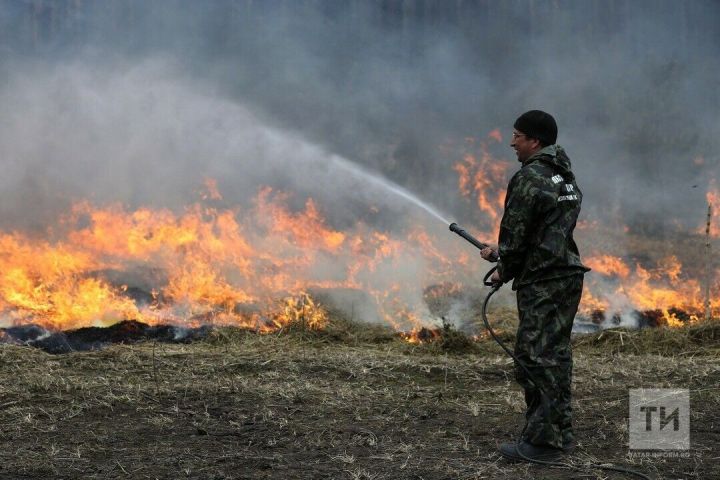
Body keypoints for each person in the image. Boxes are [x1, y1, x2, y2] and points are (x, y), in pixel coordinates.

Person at [480, 110, 590, 462]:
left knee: (533, 359)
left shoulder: (529, 177)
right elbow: (546, 230)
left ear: (535, 141)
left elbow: (515, 234)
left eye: (517, 136)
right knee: (556, 357)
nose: (512, 142)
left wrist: (503, 267)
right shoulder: (565, 178)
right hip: (565, 275)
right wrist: (508, 255)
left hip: (543, 281)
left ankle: (541, 444)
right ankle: (560, 433)